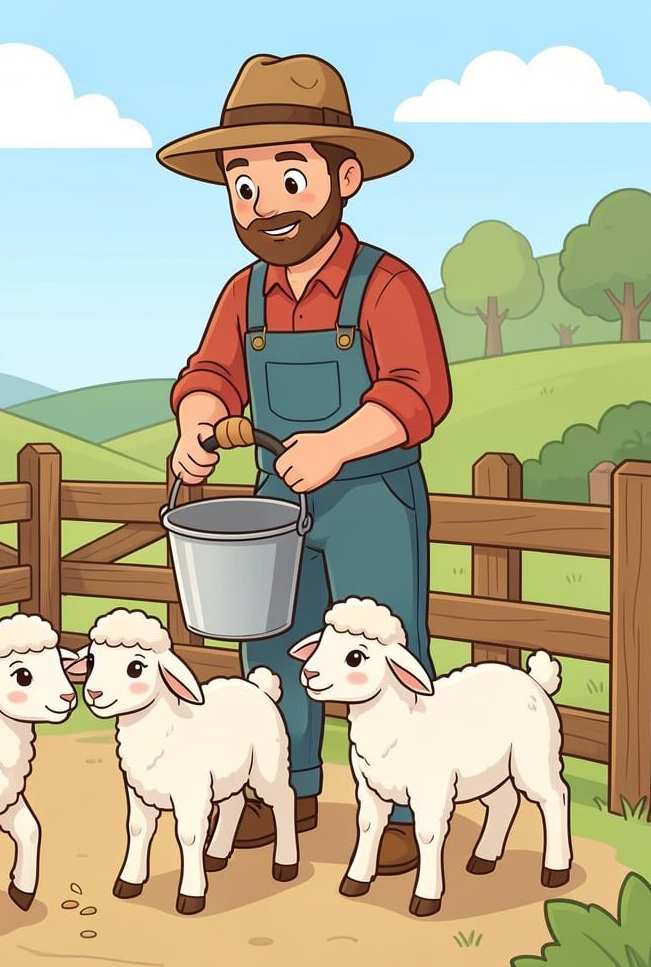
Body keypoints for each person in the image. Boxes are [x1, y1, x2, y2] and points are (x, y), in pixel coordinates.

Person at [159, 54, 452, 875]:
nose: (265, 205)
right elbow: (210, 373)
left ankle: (399, 804)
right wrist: (199, 422)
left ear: (346, 176)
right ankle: (284, 785)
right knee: (273, 642)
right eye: (243, 186)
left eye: (290, 178)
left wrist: (337, 446)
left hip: (370, 499)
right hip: (274, 506)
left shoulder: (385, 287)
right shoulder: (242, 295)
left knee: (383, 639)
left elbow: (418, 390)